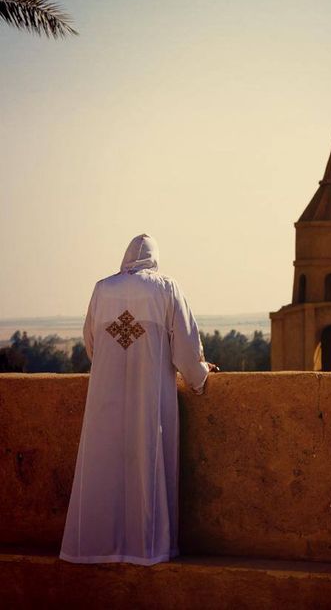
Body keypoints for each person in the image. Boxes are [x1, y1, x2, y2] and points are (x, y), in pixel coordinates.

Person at [60, 234, 216, 565]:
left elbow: (92, 344)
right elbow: (186, 347)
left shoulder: (103, 289)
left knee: (105, 469)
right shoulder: (166, 288)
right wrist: (200, 375)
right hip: (151, 398)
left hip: (106, 398)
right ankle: (147, 548)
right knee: (149, 468)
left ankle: (100, 547)